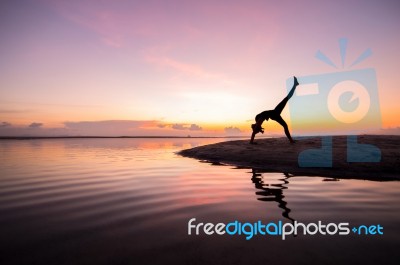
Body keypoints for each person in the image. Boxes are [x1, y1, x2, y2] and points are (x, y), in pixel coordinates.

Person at [250, 76, 299, 144]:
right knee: (287, 98)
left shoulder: (259, 119)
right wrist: (251, 141)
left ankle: (291, 141)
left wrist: (255, 135)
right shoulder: (259, 119)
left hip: (275, 113)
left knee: (287, 99)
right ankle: (295, 85)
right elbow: (254, 132)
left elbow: (254, 131)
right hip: (275, 113)